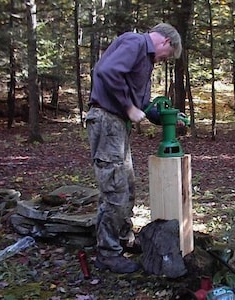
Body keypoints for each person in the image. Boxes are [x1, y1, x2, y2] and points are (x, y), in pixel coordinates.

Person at [86, 23, 182, 274]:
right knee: (115, 190)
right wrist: (128, 108)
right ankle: (107, 253)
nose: (164, 60)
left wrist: (167, 116)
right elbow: (106, 71)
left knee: (127, 187)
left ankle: (124, 238)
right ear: (166, 43)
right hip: (107, 120)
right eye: (168, 55)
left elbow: (144, 106)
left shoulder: (145, 58)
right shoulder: (136, 42)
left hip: (118, 127)